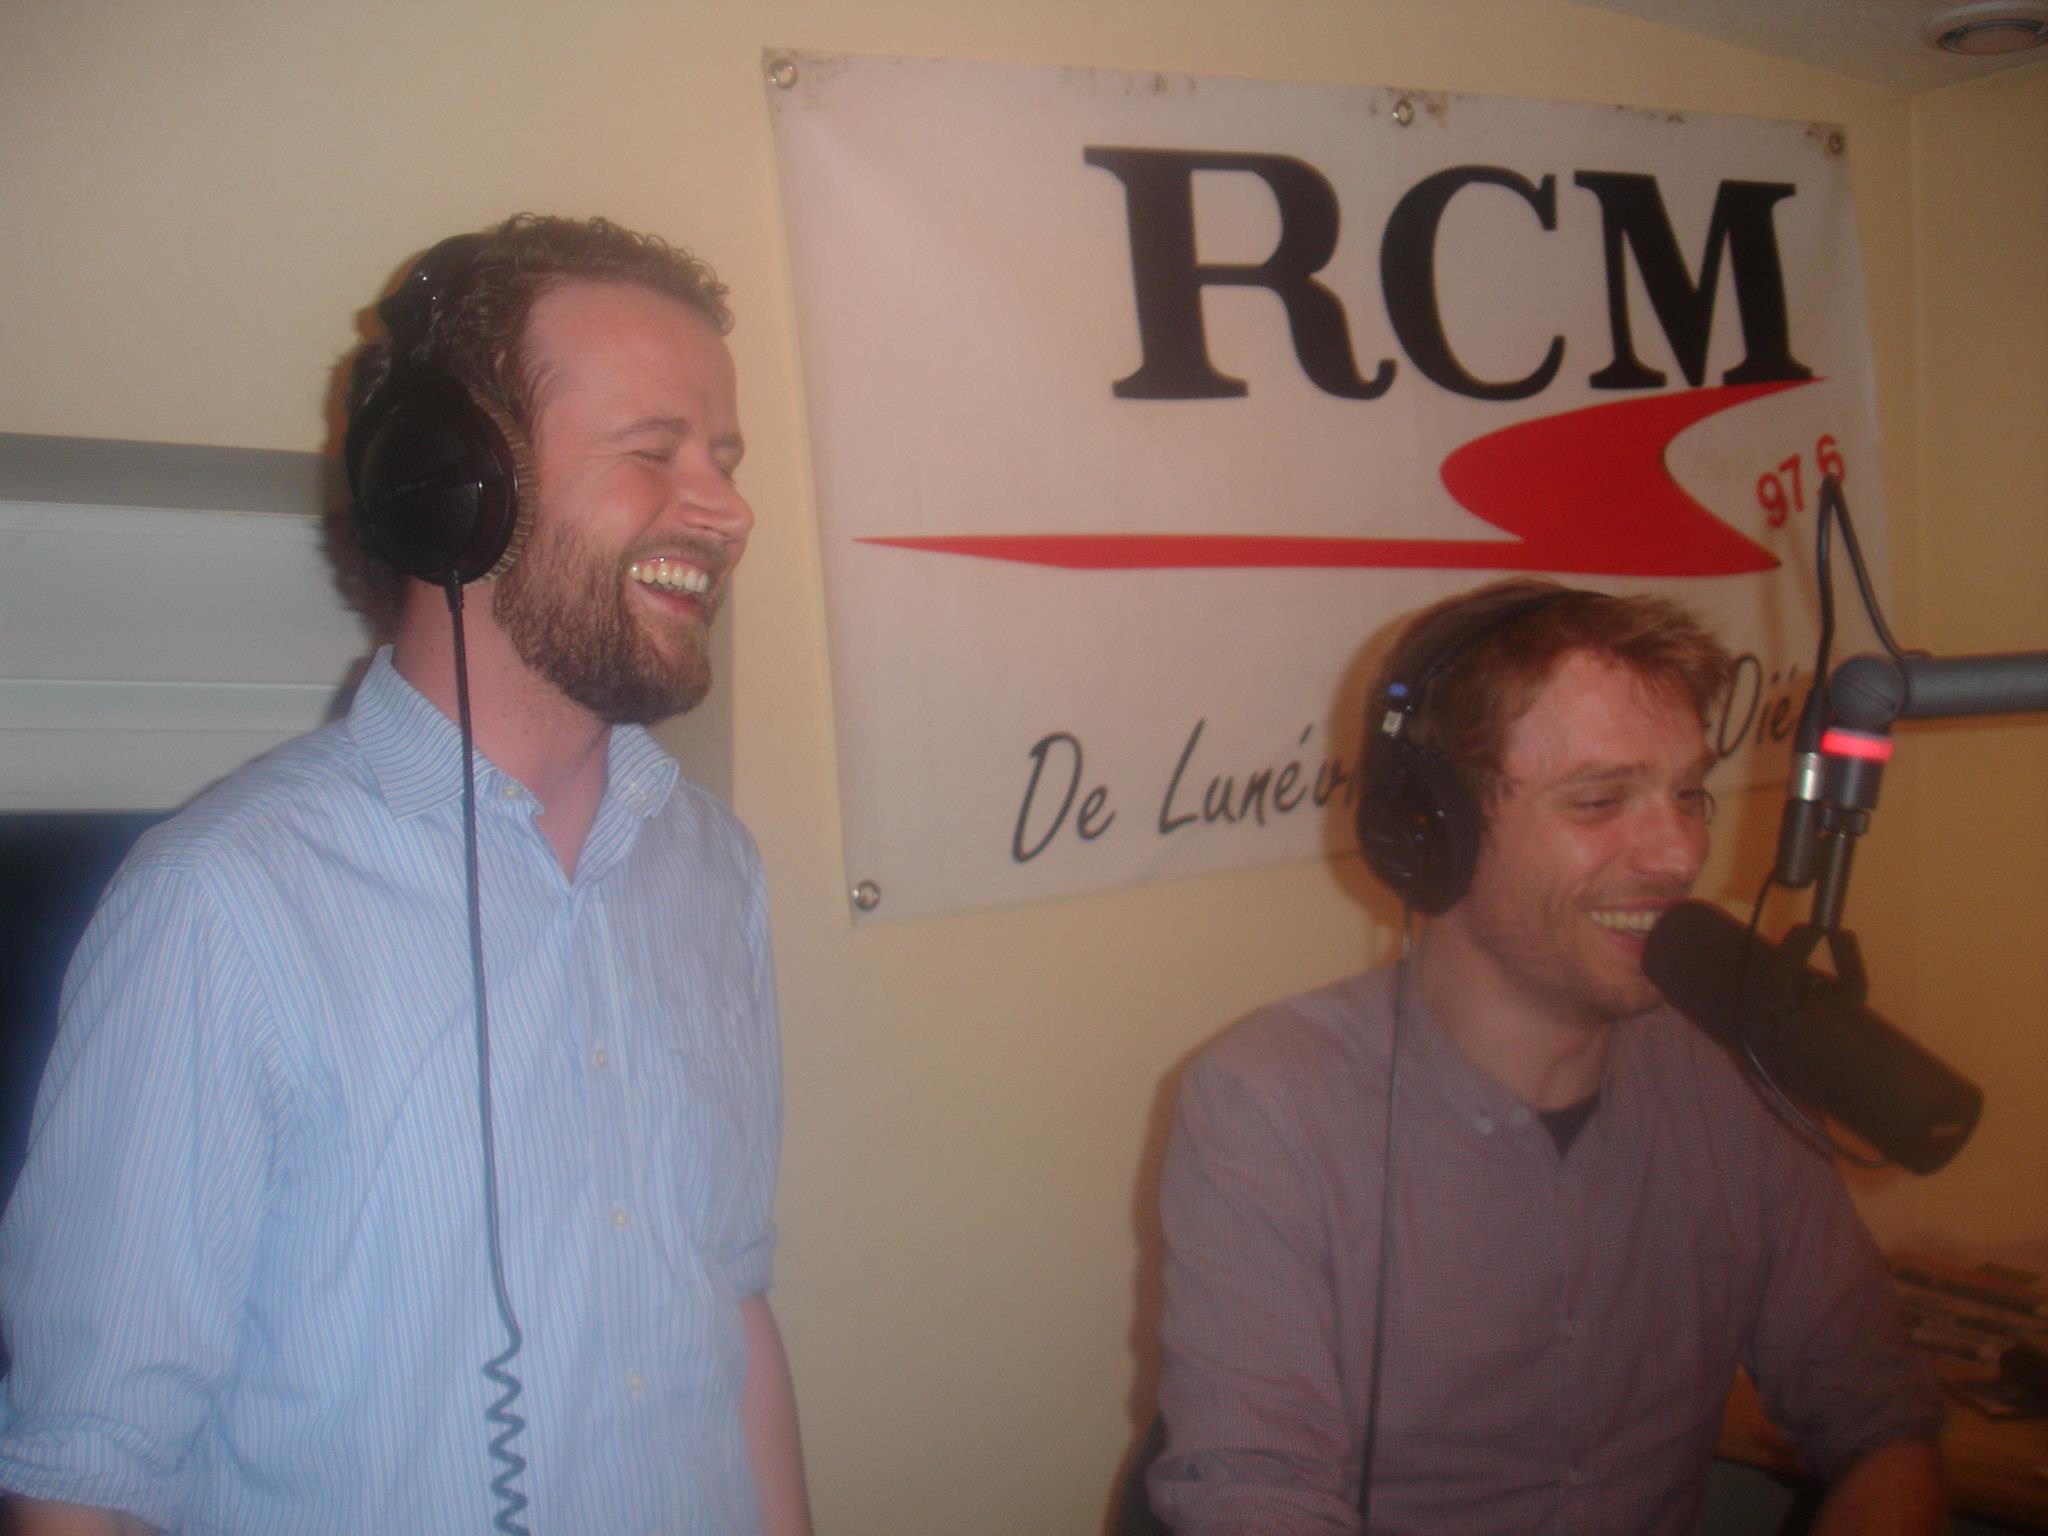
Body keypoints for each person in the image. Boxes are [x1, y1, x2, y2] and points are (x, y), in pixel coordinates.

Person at [0, 215, 812, 1535]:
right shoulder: (223, 906)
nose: (729, 509)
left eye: (722, 458)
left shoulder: (713, 866)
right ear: (452, 489)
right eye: (652, 451)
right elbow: (90, 1471)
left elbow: (731, 1297)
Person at [1146, 579, 1944, 1535]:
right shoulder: (1270, 1103)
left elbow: (1881, 1413)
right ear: (1432, 831)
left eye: (1688, 794)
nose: (1678, 854)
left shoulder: (1735, 1075)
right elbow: (1252, 1493)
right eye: (1600, 800)